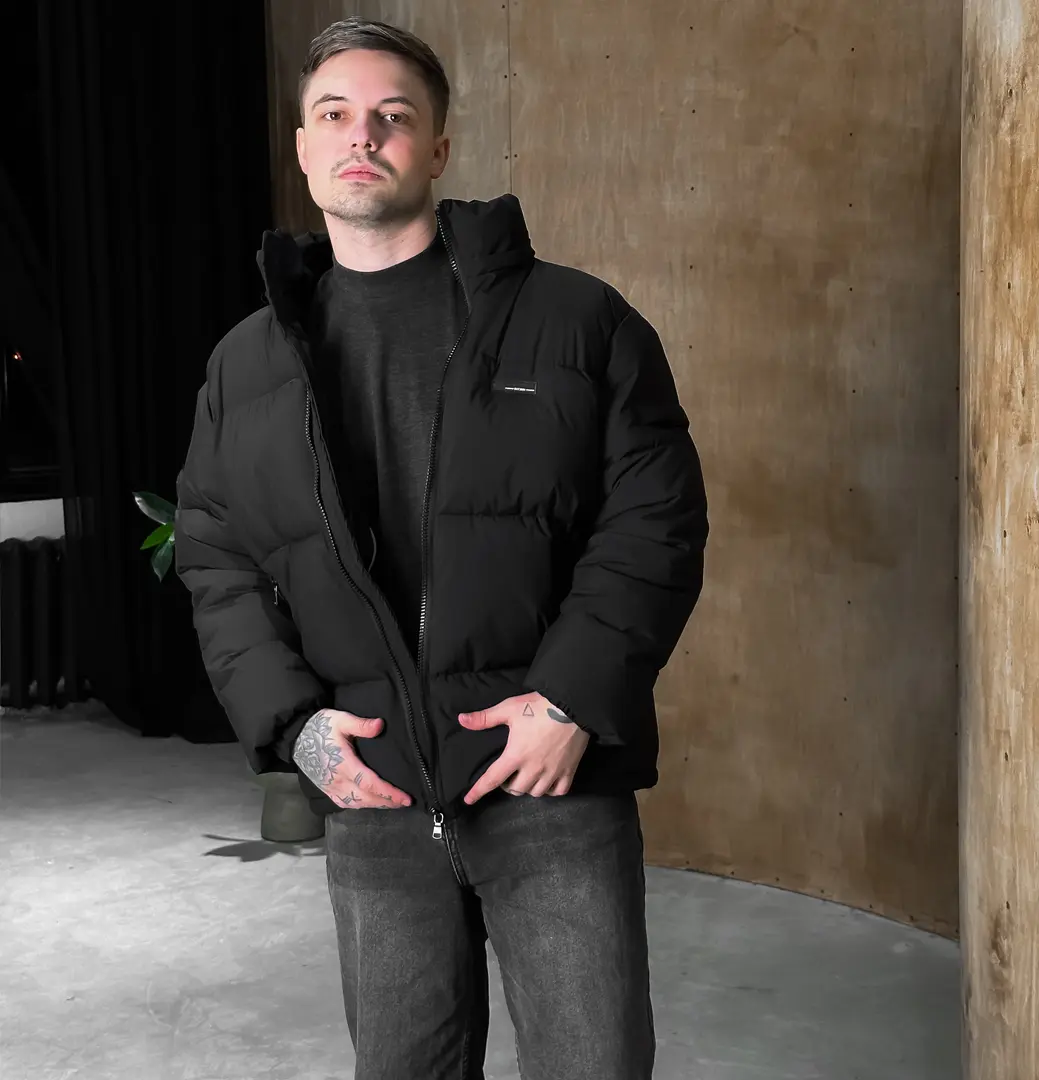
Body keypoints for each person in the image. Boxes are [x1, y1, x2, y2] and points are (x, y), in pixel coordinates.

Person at [174, 15, 708, 1080]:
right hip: (372, 788)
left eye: (393, 115)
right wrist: (294, 727)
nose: (362, 134)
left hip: (546, 781)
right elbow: (215, 555)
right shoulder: (247, 362)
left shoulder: (578, 320)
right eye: (335, 114)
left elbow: (654, 517)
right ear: (303, 147)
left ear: (439, 148)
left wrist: (571, 700)